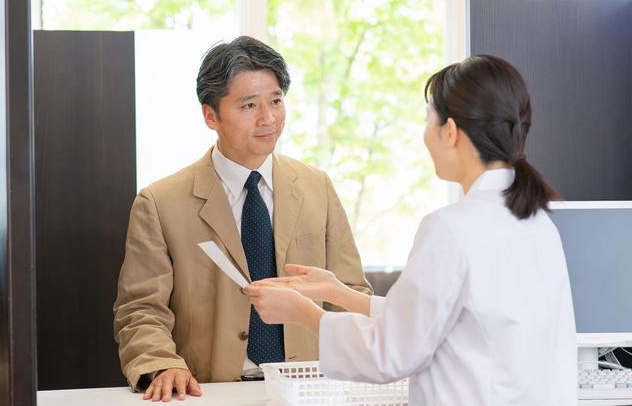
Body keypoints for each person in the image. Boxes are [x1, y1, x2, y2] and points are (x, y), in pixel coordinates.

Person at [245, 55, 577, 405]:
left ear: (450, 132)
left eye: (428, 119)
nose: (424, 135)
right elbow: (444, 320)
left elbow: (391, 354)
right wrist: (339, 292)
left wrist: (302, 312)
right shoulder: (538, 222)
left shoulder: (451, 228)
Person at [113, 36, 372, 402]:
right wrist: (161, 363)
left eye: (276, 101)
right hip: (208, 391)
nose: (268, 119)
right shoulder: (160, 202)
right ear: (210, 115)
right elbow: (140, 309)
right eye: (249, 105)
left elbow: (351, 293)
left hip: (310, 386)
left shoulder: (318, 186)